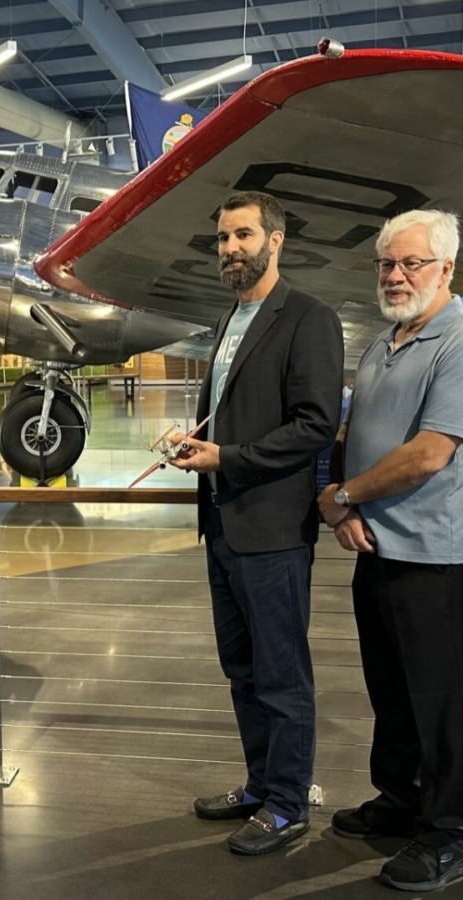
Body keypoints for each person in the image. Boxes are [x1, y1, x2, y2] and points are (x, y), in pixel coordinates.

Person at [316, 210, 463, 890]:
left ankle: (450, 834)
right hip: (376, 548)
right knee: (391, 692)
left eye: (412, 264)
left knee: (438, 701)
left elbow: (428, 455)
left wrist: (346, 497)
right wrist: (342, 506)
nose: (396, 276)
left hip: (433, 556)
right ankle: (400, 801)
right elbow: (353, 433)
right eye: (387, 264)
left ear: (446, 269)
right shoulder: (382, 342)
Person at [170, 190, 343, 855]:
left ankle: (288, 802)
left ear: (276, 241)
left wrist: (229, 457)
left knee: (280, 672)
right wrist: (201, 441)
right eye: (222, 239)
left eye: (242, 235)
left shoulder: (308, 318)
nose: (229, 249)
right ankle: (259, 784)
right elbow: (240, 412)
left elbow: (315, 426)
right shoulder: (230, 318)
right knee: (241, 667)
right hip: (221, 523)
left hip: (270, 529)